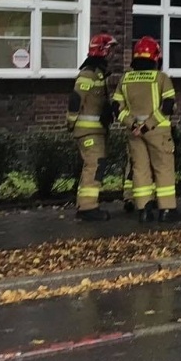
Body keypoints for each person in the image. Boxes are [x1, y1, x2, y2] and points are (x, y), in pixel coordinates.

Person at [113, 35, 179, 224]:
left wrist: (133, 125)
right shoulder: (161, 78)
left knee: (140, 170)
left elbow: (116, 107)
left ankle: (144, 210)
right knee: (163, 168)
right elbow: (168, 105)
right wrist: (148, 125)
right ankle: (167, 210)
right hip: (157, 131)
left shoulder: (125, 79)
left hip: (134, 134)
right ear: (155, 57)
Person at [68, 33, 119, 222]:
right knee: (94, 165)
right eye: (111, 50)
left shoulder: (99, 73)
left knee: (94, 165)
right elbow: (76, 99)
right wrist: (71, 122)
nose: (113, 54)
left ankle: (85, 204)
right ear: (103, 50)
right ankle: (88, 208)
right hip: (89, 131)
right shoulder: (88, 73)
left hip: (96, 130)